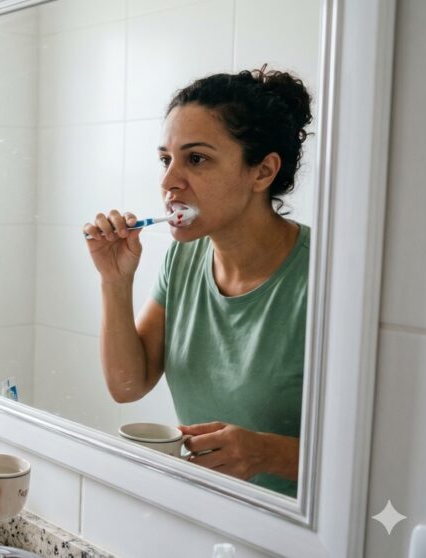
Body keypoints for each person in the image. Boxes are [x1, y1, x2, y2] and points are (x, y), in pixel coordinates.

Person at [83, 67, 313, 497]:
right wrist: (114, 282)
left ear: (262, 172)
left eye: (196, 159)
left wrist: (269, 454)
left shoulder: (323, 278)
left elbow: (378, 454)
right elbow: (128, 386)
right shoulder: (184, 256)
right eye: (165, 160)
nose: (169, 181)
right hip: (209, 513)